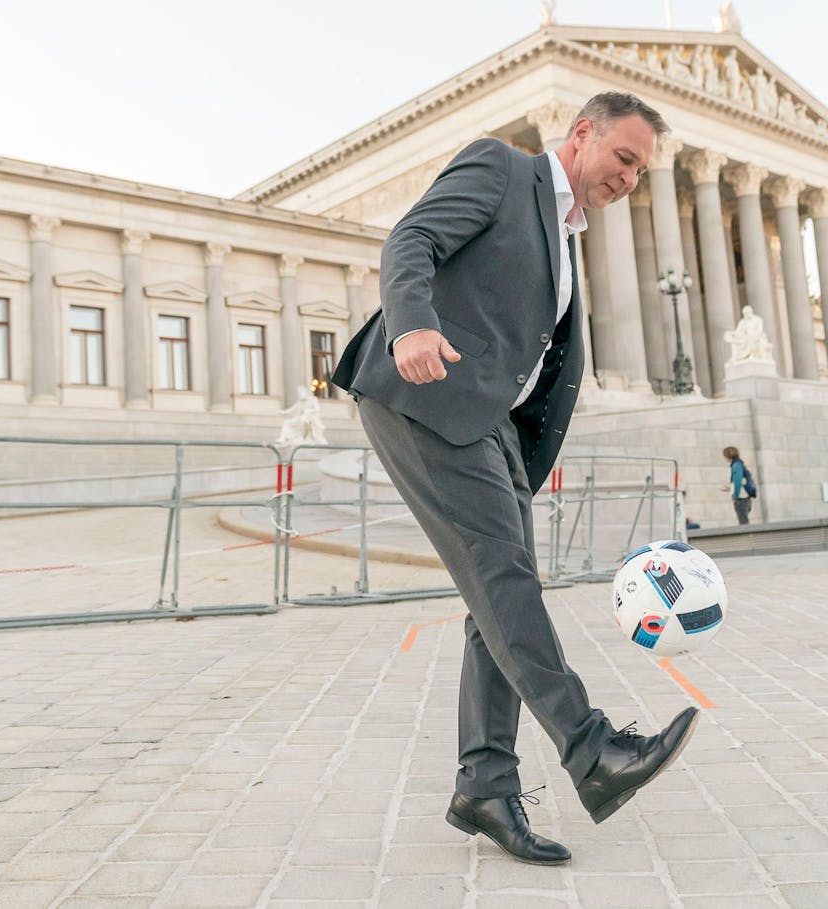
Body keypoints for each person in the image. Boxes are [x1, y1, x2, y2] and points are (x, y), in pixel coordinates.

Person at [331, 93, 699, 866]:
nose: (631, 178)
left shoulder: (566, 237)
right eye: (624, 158)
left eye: (642, 169)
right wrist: (411, 323)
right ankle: (591, 748)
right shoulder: (503, 168)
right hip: (424, 391)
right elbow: (412, 240)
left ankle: (485, 783)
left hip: (490, 423)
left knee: (493, 596)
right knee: (503, 576)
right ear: (582, 134)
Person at [723, 446, 755, 525]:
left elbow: (737, 482)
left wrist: (735, 496)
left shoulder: (736, 465)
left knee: (744, 524)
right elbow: (741, 482)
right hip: (746, 499)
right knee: (744, 523)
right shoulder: (739, 464)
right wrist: (730, 488)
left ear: (728, 455)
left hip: (741, 500)